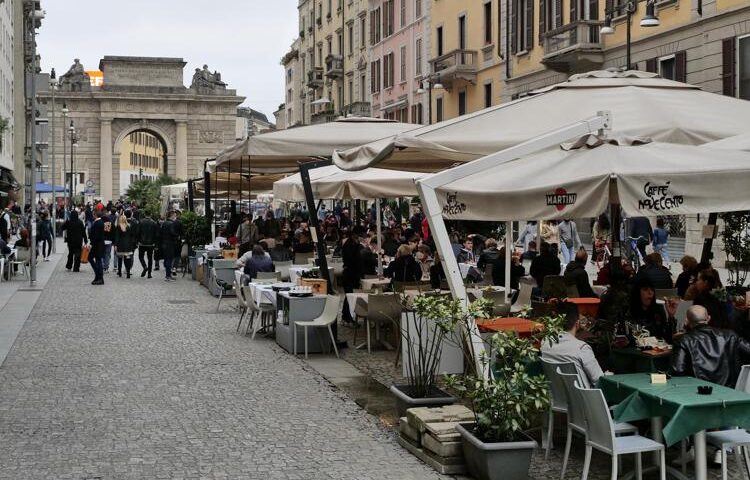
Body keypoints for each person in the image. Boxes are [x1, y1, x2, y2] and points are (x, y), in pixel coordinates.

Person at [670, 305, 750, 387]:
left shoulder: (684, 340)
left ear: (687, 321)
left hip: (699, 392)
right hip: (730, 392)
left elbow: (677, 370)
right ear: (708, 318)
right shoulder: (730, 335)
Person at [541, 302, 604, 388]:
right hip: (584, 399)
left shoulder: (545, 343)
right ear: (577, 324)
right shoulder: (582, 348)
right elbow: (599, 380)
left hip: (556, 398)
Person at [114, 212, 136, 278]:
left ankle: (120, 272)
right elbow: (132, 236)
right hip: (128, 245)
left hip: (120, 245)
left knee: (120, 259)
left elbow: (117, 237)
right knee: (127, 259)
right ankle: (128, 273)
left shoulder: (118, 226)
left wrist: (115, 245)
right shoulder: (129, 226)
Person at [137, 211, 158, 278]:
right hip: (150, 244)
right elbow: (156, 234)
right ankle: (149, 274)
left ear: (145, 214)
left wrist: (138, 241)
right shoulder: (154, 223)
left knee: (141, 257)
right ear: (150, 214)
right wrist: (155, 243)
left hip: (142, 243)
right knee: (150, 258)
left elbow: (138, 232)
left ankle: (145, 266)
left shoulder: (141, 222)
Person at [159, 211, 178, 282]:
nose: (175, 217)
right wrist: (177, 236)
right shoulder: (171, 224)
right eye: (175, 216)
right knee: (169, 260)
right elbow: (173, 233)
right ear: (172, 216)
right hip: (170, 244)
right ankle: (168, 276)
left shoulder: (164, 223)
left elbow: (161, 233)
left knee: (167, 259)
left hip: (164, 243)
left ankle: (168, 275)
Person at [89, 210, 106, 285]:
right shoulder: (99, 222)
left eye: (93, 215)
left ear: (95, 215)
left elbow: (96, 236)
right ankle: (98, 276)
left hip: (97, 246)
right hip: (98, 245)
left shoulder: (98, 223)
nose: (92, 216)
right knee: (94, 260)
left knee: (97, 261)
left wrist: (91, 243)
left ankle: (99, 277)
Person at [102, 209, 116, 273]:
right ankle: (106, 267)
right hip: (109, 241)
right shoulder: (112, 225)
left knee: (102, 254)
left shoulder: (101, 224)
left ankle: (102, 266)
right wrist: (114, 242)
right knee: (107, 254)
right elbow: (114, 234)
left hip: (102, 241)